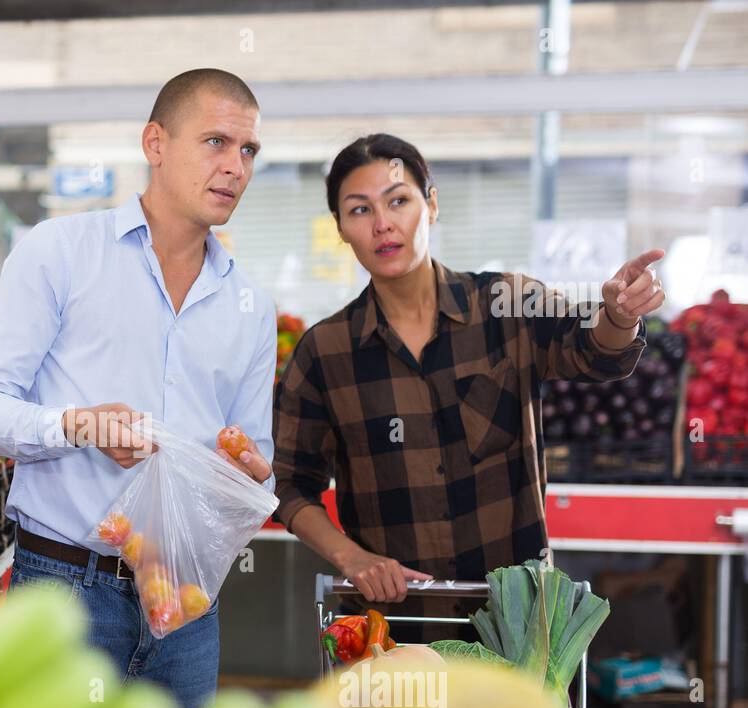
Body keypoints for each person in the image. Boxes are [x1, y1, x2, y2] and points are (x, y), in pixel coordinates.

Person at [0, 69, 277, 708]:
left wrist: (247, 476)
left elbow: (255, 462)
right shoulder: (59, 252)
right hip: (65, 594)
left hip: (187, 605)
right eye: (216, 142)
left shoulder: (251, 306)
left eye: (248, 150)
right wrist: (77, 426)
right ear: (155, 143)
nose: (235, 167)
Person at [273, 133, 662, 644]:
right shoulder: (325, 352)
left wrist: (619, 315)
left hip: (515, 628)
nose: (382, 224)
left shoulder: (506, 304)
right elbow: (288, 484)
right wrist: (352, 558)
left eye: (398, 201)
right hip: (395, 632)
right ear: (341, 228)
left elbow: (592, 350)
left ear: (431, 205)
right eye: (360, 210)